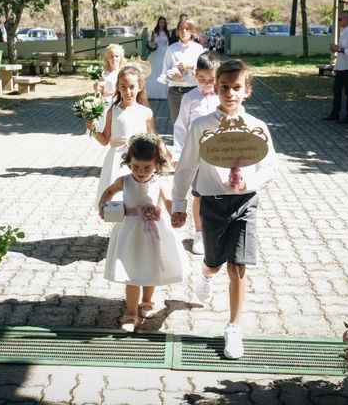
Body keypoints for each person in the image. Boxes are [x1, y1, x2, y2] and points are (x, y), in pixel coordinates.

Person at [171, 59, 277, 359]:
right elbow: (187, 167)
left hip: (245, 202)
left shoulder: (258, 127)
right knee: (216, 263)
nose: (230, 93)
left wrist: (250, 178)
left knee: (238, 266)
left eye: (236, 87)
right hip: (212, 202)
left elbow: (270, 167)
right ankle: (205, 275)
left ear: (247, 90)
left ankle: (233, 327)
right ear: (215, 88)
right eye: (224, 87)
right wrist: (178, 203)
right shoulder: (201, 125)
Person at [99, 133, 189, 332]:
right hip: (129, 233)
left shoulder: (158, 182)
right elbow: (109, 191)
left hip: (152, 233)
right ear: (129, 162)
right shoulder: (124, 181)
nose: (140, 172)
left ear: (157, 165)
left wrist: (175, 213)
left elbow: (167, 202)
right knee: (131, 271)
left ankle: (147, 301)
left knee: (150, 267)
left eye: (146, 167)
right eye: (135, 167)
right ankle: (131, 313)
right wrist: (103, 202)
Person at [172, 51, 221, 255]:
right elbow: (181, 128)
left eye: (211, 80)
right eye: (202, 79)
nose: (207, 84)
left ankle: (217, 233)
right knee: (199, 195)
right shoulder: (189, 98)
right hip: (198, 155)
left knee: (220, 195)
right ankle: (200, 234)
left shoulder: (224, 96)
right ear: (195, 74)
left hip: (221, 156)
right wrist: (178, 154)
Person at [87, 65, 156, 207]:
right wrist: (93, 130)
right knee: (118, 201)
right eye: (123, 87)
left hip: (139, 160)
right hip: (116, 161)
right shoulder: (113, 111)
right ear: (118, 87)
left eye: (131, 86)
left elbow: (153, 139)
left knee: (138, 198)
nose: (128, 91)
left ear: (140, 86)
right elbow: (105, 140)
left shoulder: (146, 112)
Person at [163, 18, 205, 124]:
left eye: (187, 28)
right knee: (178, 126)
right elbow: (164, 73)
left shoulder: (198, 49)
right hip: (175, 93)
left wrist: (191, 66)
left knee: (195, 124)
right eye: (181, 28)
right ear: (177, 31)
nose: (184, 31)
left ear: (192, 31)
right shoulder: (171, 49)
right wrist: (172, 77)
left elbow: (204, 73)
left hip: (194, 91)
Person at [324, 11, 348, 123]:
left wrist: (338, 49)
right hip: (341, 66)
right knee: (337, 90)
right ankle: (335, 113)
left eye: (340, 19)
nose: (339, 22)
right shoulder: (344, 31)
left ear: (347, 19)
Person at [94, 44, 124, 132]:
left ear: (121, 58)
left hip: (121, 101)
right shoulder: (104, 74)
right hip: (107, 104)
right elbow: (100, 92)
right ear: (107, 58)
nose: (114, 59)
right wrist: (97, 89)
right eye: (111, 56)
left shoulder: (123, 72)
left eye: (117, 56)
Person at [146, 17, 170, 99]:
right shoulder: (154, 32)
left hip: (164, 53)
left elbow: (168, 44)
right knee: (154, 71)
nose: (162, 24)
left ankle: (163, 92)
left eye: (163, 22)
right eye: (161, 22)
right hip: (156, 53)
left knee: (163, 70)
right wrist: (152, 46)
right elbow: (151, 42)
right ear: (158, 23)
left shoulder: (167, 32)